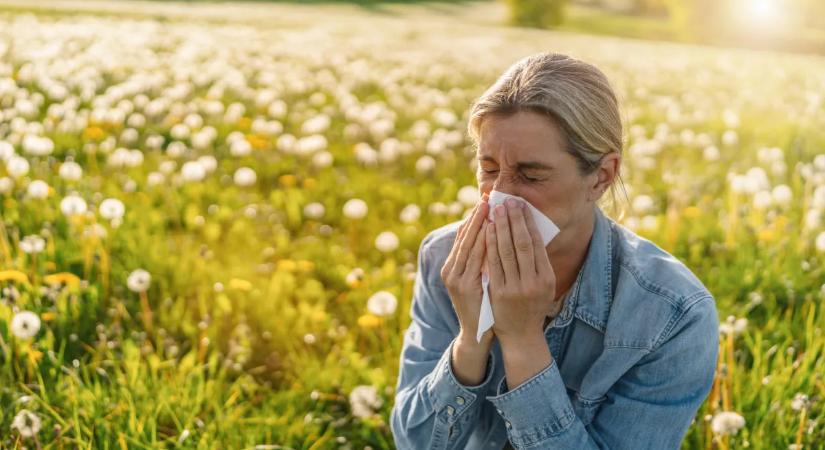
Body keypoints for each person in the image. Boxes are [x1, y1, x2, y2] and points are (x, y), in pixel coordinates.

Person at [389, 52, 719, 449]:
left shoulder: (672, 314)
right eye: (489, 168)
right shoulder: (446, 258)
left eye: (531, 175)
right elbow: (415, 443)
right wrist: (471, 341)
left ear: (601, 176)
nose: (501, 194)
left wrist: (523, 340)